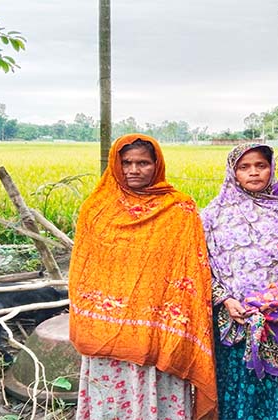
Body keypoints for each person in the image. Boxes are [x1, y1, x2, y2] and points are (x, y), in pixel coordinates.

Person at [68, 134, 217, 420]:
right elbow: (83, 271)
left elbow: (191, 270)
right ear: (115, 164)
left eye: (143, 163)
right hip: (107, 337)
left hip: (161, 330)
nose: (133, 170)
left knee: (158, 397)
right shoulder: (97, 209)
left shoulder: (179, 209)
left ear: (157, 165)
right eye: (126, 163)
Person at [202, 143, 278, 420]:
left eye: (261, 166)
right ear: (233, 172)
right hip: (235, 323)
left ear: (271, 169)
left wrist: (265, 302)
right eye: (244, 167)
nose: (253, 172)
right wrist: (226, 300)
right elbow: (200, 266)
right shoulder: (212, 217)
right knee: (240, 394)